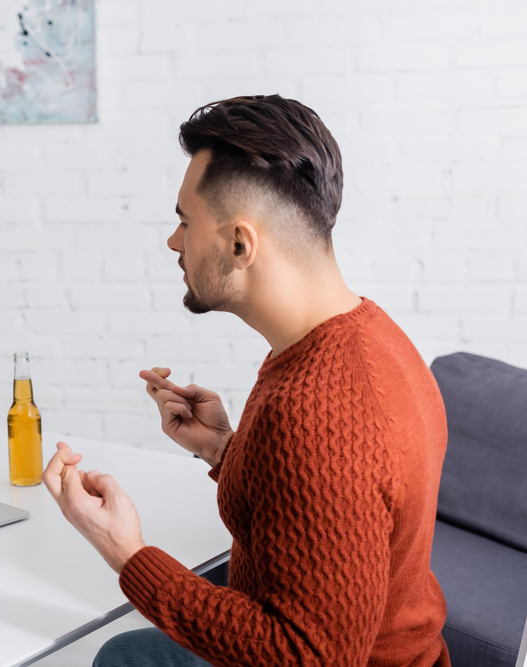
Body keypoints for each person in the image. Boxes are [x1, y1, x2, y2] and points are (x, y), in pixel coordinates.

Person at [42, 95, 451, 667]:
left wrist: (127, 552)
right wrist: (224, 448)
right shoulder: (371, 337)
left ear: (240, 243)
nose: (173, 242)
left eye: (186, 221)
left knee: (122, 658)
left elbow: (310, 657)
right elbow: (330, 510)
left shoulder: (315, 412)